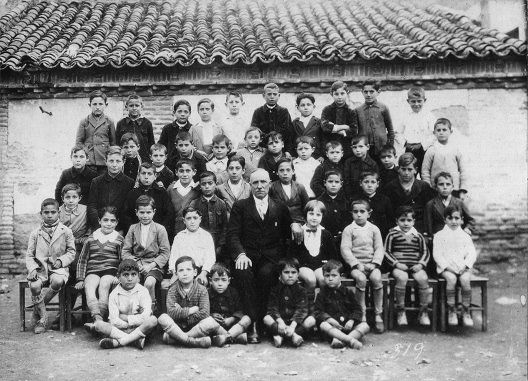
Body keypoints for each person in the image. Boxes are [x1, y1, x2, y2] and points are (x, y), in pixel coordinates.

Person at [226, 169, 303, 343]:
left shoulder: (279, 205)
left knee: (266, 275)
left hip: (271, 257)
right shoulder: (241, 206)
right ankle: (252, 321)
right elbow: (232, 234)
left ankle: (261, 322)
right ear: (249, 184)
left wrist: (294, 226)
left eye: (263, 182)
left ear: (269, 183)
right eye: (255, 183)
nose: (260, 186)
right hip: (247, 254)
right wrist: (240, 254)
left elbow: (287, 229)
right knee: (243, 272)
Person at [26, 198, 75, 333]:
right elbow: (29, 255)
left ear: (58, 212)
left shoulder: (66, 231)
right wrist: (33, 268)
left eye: (53, 212)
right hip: (40, 269)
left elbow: (71, 252)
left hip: (58, 268)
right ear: (41, 213)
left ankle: (37, 310)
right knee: (35, 285)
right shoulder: (35, 233)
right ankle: (43, 317)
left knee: (58, 280)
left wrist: (61, 261)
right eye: (46, 212)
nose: (49, 215)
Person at [158, 256, 227, 348]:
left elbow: (205, 313)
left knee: (210, 321)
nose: (185, 273)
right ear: (176, 273)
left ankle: (179, 338)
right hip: (177, 327)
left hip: (196, 327)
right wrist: (192, 310)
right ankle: (194, 341)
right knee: (163, 318)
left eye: (188, 269)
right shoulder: (172, 290)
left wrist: (182, 314)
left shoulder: (202, 290)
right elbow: (171, 313)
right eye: (181, 270)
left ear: (195, 272)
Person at [340, 199, 385, 332]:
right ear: (351, 213)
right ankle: (362, 315)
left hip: (372, 265)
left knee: (377, 278)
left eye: (362, 211)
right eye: (355, 212)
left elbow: (379, 248)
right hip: (356, 266)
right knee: (360, 279)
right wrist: (356, 264)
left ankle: (378, 314)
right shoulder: (349, 229)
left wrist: (375, 263)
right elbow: (345, 249)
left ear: (369, 213)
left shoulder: (374, 229)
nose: (359, 215)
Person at [76, 206, 123, 332]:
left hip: (110, 271)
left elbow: (122, 260)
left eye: (112, 221)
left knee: (104, 285)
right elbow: (82, 259)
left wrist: (118, 276)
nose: (108, 224)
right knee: (89, 285)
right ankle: (97, 318)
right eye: (105, 220)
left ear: (117, 222)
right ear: (99, 221)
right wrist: (80, 279)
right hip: (93, 270)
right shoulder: (91, 238)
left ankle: (99, 320)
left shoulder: (118, 239)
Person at [121, 195, 170, 314]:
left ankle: (151, 310)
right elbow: (125, 251)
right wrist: (136, 263)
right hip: (136, 265)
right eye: (141, 212)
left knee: (149, 282)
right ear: (136, 213)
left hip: (153, 265)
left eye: (148, 212)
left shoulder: (159, 229)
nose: (145, 216)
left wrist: (151, 265)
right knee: (132, 282)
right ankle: (134, 310)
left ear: (154, 212)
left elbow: (165, 252)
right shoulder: (133, 229)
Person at [288, 200, 339, 315]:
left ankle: (324, 309)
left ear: (322, 216)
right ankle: (308, 309)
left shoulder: (325, 233)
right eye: (311, 214)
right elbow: (291, 254)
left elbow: (333, 256)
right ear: (305, 214)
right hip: (303, 265)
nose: (314, 218)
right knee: (311, 279)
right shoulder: (299, 232)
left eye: (318, 215)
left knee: (323, 279)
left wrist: (329, 266)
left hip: (320, 264)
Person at [95, 259, 158, 350]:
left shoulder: (143, 291)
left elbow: (145, 317)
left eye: (133, 274)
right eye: (125, 275)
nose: (130, 279)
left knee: (153, 320)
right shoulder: (114, 294)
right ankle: (135, 340)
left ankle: (120, 341)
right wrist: (129, 325)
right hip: (121, 329)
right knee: (98, 325)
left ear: (138, 276)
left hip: (140, 328)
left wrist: (125, 317)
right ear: (118, 277)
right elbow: (114, 320)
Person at [384, 206, 431, 327]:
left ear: (414, 222)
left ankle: (423, 311)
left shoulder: (418, 235)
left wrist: (421, 264)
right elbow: (386, 252)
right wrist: (397, 264)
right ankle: (401, 310)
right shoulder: (392, 234)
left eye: (409, 220)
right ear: (397, 221)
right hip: (399, 267)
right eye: (402, 220)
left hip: (416, 266)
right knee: (402, 278)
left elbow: (425, 252)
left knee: (423, 278)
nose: (405, 223)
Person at [433, 205, 477, 327]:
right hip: (447, 268)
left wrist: (465, 266)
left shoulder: (465, 236)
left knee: (465, 279)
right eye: (450, 218)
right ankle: (451, 309)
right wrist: (449, 267)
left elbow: (471, 253)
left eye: (457, 218)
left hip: (463, 268)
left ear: (461, 219)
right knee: (451, 279)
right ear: (444, 219)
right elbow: (437, 255)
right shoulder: (439, 236)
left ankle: (465, 310)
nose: (453, 221)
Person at [314, 259, 369, 349]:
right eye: (327, 276)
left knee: (365, 326)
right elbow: (318, 312)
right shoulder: (322, 294)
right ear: (323, 277)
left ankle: (340, 341)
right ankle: (350, 340)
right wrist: (329, 320)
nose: (330, 279)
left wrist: (351, 320)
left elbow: (358, 309)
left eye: (334, 275)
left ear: (341, 276)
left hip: (347, 328)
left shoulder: (348, 292)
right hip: (332, 330)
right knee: (323, 325)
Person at [383, 153, 436, 234]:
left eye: (410, 169)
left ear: (415, 170)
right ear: (398, 169)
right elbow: (388, 213)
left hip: (419, 229)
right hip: (398, 229)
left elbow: (429, 211)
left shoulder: (423, 187)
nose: (406, 173)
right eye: (403, 169)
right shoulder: (390, 187)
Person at [263, 258, 311, 348]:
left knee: (311, 320)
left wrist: (292, 326)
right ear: (280, 273)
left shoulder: (301, 290)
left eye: (293, 272)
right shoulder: (275, 289)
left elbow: (302, 310)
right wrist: (280, 322)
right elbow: (272, 308)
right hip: (280, 323)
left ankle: (281, 336)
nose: (290, 276)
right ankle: (293, 336)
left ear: (298, 274)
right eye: (286, 272)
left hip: (295, 324)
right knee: (267, 318)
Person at [86, 146, 135, 233]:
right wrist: (100, 226)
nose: (114, 165)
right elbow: (92, 207)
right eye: (111, 161)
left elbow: (128, 210)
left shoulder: (129, 183)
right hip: (100, 227)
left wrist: (122, 229)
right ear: (105, 161)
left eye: (118, 161)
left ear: (123, 161)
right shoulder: (96, 181)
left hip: (120, 229)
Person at [122, 162, 174, 238]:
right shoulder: (132, 193)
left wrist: (160, 232)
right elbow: (126, 215)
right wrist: (134, 232)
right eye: (143, 173)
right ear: (139, 175)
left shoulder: (162, 193)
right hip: (137, 234)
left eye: (149, 174)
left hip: (157, 234)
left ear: (155, 176)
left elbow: (169, 215)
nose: (146, 177)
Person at [169, 206, 216, 287]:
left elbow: (210, 258)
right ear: (184, 220)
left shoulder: (206, 236)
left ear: (200, 219)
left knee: (198, 286)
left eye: (195, 218)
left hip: (199, 271)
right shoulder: (179, 236)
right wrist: (174, 273)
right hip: (182, 271)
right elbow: (173, 257)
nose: (192, 221)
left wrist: (203, 274)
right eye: (189, 218)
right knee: (175, 286)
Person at [424, 172, 475, 242]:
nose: (445, 187)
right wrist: (431, 236)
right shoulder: (430, 204)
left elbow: (470, 220)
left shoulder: (459, 202)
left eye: (448, 184)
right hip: (439, 240)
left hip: (457, 239)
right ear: (435, 187)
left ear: (452, 187)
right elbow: (428, 225)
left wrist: (467, 229)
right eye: (441, 184)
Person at [208, 263, 251, 344]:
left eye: (224, 280)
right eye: (216, 280)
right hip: (216, 327)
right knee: (207, 323)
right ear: (210, 281)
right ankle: (235, 338)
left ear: (229, 281)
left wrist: (231, 319)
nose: (220, 284)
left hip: (232, 326)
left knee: (247, 318)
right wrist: (211, 315)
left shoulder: (233, 292)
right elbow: (203, 310)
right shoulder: (207, 293)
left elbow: (240, 310)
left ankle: (225, 337)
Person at [190, 172, 229, 262]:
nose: (207, 186)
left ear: (216, 184)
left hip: (217, 241)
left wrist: (220, 245)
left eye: (210, 183)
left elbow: (225, 227)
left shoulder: (221, 203)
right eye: (204, 184)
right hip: (200, 242)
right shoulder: (195, 203)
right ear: (200, 185)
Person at [421, 118, 468, 192]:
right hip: (435, 190)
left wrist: (463, 188)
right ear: (434, 133)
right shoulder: (431, 151)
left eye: (444, 130)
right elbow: (425, 171)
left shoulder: (455, 150)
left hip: (454, 189)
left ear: (451, 132)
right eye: (438, 130)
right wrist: (428, 189)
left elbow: (463, 170)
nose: (441, 132)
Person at [394, 87, 436, 169]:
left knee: (425, 171)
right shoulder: (404, 116)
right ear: (408, 101)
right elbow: (397, 133)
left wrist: (422, 145)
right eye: (413, 101)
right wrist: (405, 143)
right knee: (410, 170)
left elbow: (434, 135)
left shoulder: (429, 116)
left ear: (425, 100)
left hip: (425, 149)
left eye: (419, 101)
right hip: (409, 149)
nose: (416, 104)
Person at [75, 90, 116, 174]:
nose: (97, 107)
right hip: (89, 162)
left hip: (104, 162)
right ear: (89, 105)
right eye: (94, 104)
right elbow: (79, 143)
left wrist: (111, 160)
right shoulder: (84, 122)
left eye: (100, 104)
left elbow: (113, 144)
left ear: (106, 105)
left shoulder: (109, 122)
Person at [355, 79, 394, 163]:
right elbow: (355, 131)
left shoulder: (383, 108)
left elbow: (390, 129)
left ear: (378, 92)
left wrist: (391, 147)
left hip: (381, 148)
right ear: (362, 92)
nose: (368, 95)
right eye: (365, 92)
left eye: (371, 92)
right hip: (365, 149)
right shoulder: (358, 110)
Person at [59, 184, 90, 283]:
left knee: (80, 260)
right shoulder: (58, 212)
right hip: (64, 244)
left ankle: (79, 286)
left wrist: (86, 237)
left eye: (74, 197)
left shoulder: (85, 210)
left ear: (80, 198)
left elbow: (90, 226)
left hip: (80, 243)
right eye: (67, 197)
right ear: (62, 198)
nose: (71, 200)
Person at [251, 83, 293, 153]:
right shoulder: (258, 112)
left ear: (279, 96)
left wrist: (287, 151)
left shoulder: (284, 111)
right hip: (262, 149)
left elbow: (288, 133)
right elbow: (254, 131)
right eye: (269, 94)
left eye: (275, 94)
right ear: (264, 95)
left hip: (280, 149)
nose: (272, 97)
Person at [351, 172, 393, 240]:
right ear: (360, 183)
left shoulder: (384, 200)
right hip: (360, 237)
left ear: (378, 184)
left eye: (373, 182)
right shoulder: (355, 199)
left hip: (381, 237)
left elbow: (390, 220)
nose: (369, 185)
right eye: (366, 182)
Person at [321, 81, 358, 159]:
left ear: (347, 93)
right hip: (330, 147)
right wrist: (345, 126)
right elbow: (324, 127)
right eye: (336, 94)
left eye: (342, 93)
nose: (340, 97)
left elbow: (354, 131)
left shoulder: (351, 111)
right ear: (331, 94)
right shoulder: (327, 110)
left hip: (346, 148)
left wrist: (333, 128)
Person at [316, 170, 351, 248]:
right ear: (325, 183)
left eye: (337, 182)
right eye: (330, 181)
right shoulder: (319, 202)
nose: (333, 185)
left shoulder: (346, 203)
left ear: (341, 184)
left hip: (343, 240)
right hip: (324, 240)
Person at [115, 94, 155, 162]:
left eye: (137, 105)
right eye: (131, 106)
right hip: (125, 159)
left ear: (142, 107)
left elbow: (151, 143)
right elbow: (117, 144)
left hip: (143, 159)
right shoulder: (121, 123)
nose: (134, 108)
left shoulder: (147, 123)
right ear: (126, 107)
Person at [269, 158, 309, 223]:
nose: (285, 173)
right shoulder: (272, 187)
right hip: (280, 224)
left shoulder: (299, 187)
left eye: (288, 170)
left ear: (293, 171)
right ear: (277, 172)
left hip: (298, 222)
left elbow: (307, 207)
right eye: (281, 170)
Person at [167, 159, 201, 236]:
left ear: (194, 172)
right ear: (176, 172)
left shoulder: (198, 189)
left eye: (188, 171)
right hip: (175, 230)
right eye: (181, 171)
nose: (184, 174)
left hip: (193, 231)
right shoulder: (171, 189)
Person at [292, 93, 324, 160]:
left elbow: (323, 140)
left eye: (308, 105)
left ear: (313, 107)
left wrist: (322, 156)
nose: (306, 107)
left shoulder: (319, 122)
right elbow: (291, 140)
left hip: (316, 156)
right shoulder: (294, 123)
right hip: (299, 156)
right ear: (298, 108)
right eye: (302, 105)